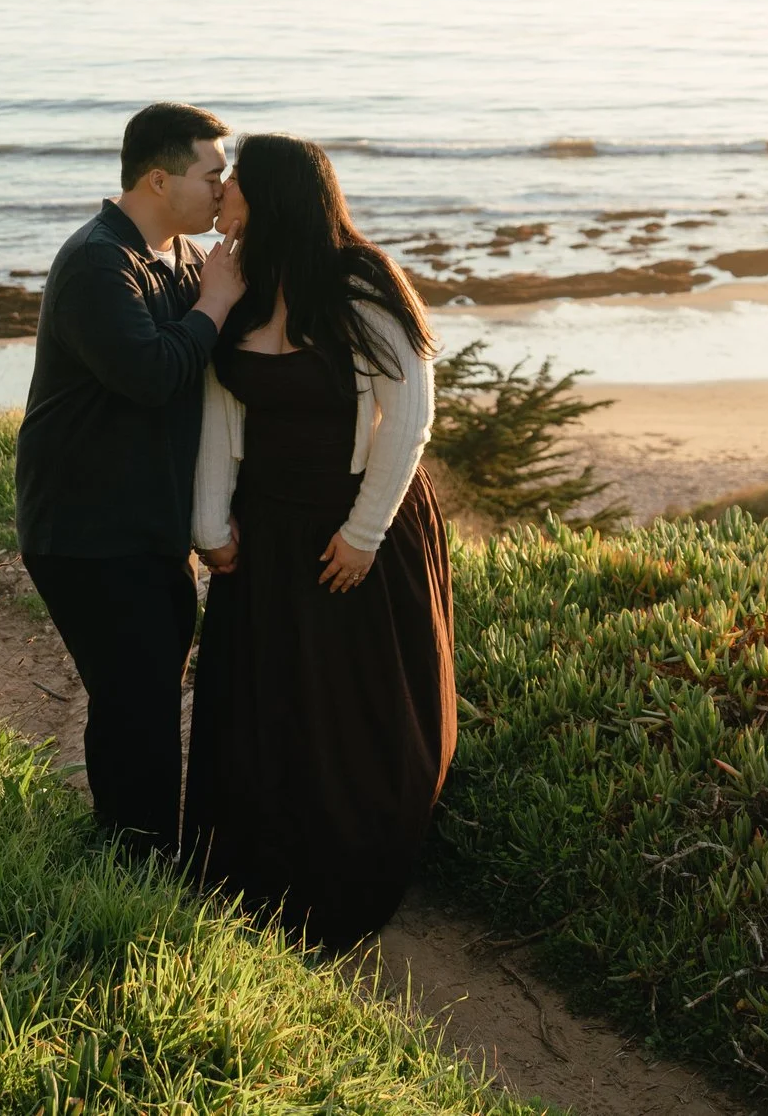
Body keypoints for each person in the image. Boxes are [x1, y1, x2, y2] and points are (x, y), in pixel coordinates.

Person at [182, 132, 455, 947]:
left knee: (353, 708)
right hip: (263, 529)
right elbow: (218, 412)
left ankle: (349, 865)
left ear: (272, 198)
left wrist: (364, 533)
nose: (221, 192)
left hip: (356, 525)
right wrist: (207, 525)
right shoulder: (238, 280)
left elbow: (410, 416)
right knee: (265, 705)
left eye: (234, 184)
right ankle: (255, 878)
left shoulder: (361, 283)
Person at [16, 101, 244, 858]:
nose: (225, 184)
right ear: (158, 177)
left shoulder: (178, 254)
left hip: (143, 523)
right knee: (136, 699)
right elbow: (152, 374)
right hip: (86, 529)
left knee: (141, 694)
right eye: (214, 171)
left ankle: (133, 851)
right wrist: (215, 301)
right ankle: (136, 866)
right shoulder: (96, 262)